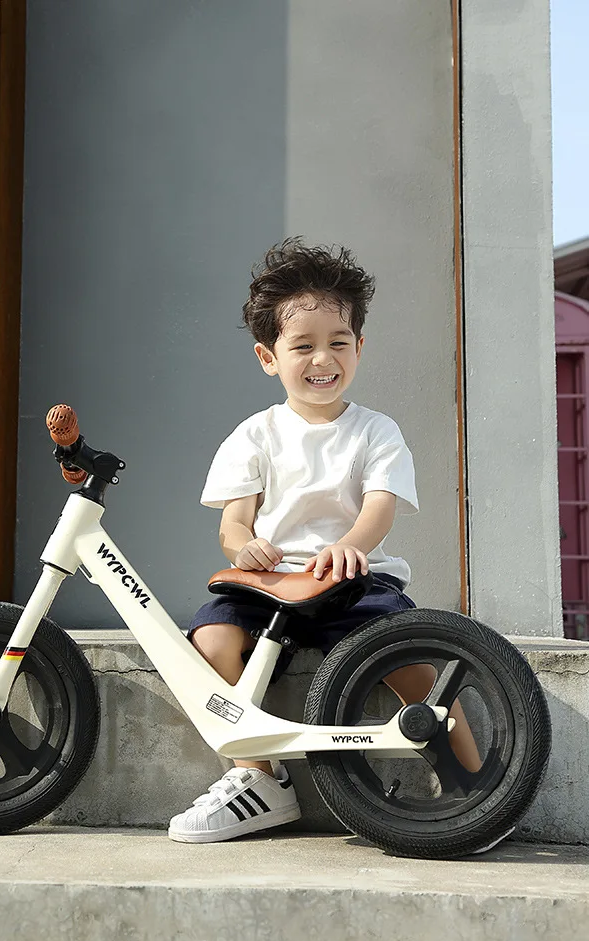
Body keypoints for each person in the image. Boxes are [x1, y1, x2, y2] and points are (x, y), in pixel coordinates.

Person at [167, 238, 479, 845]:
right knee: (208, 641)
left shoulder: (375, 430)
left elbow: (380, 506)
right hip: (273, 583)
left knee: (414, 664)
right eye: (302, 345)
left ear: (359, 347)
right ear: (268, 356)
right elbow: (234, 523)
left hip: (354, 579)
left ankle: (475, 785)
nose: (322, 358)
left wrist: (353, 546)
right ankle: (257, 778)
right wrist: (242, 548)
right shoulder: (255, 434)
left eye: (337, 343)